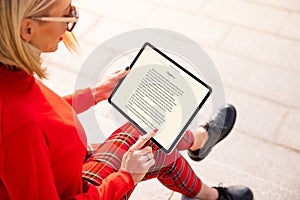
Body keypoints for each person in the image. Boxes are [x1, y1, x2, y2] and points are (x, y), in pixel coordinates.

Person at [0, 0, 254, 199]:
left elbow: (44, 114)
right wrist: (125, 177)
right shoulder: (20, 128)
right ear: (28, 28)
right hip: (78, 188)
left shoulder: (10, 76)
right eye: (67, 14)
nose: (71, 21)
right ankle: (205, 165)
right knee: (157, 145)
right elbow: (30, 126)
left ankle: (201, 154)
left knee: (155, 142)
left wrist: (96, 93)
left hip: (65, 165)